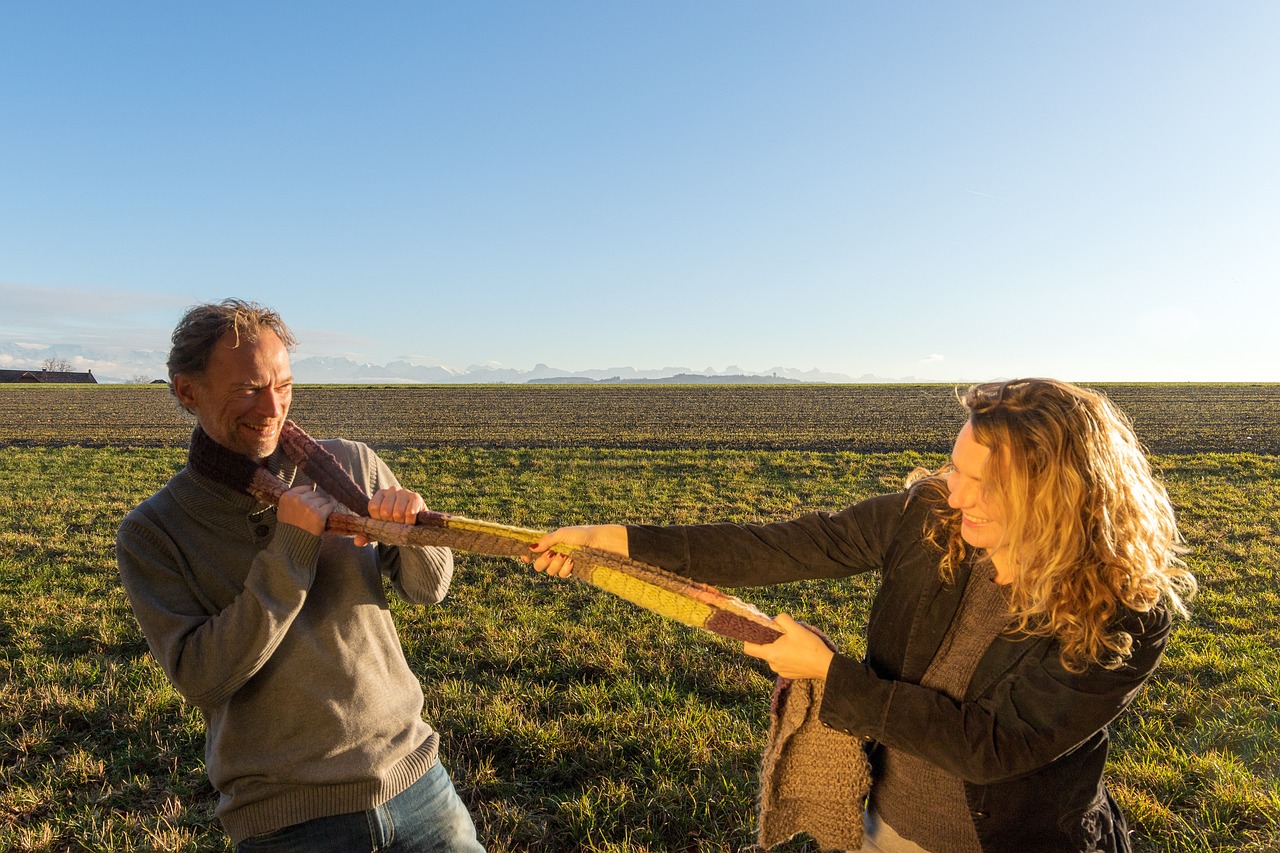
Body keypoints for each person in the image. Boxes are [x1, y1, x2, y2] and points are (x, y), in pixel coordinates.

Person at [528, 378, 1195, 853]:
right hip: (885, 828)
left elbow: (991, 746)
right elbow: (785, 543)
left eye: (981, 483)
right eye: (955, 468)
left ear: (1053, 494)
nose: (952, 491)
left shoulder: (1126, 609)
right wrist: (614, 540)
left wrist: (830, 674)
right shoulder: (928, 517)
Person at [117, 299, 485, 852]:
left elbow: (429, 588)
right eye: (247, 388)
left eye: (284, 384)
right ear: (186, 392)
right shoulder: (155, 531)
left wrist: (411, 533)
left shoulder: (350, 467)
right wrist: (290, 550)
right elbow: (202, 676)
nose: (272, 407)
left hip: (418, 786)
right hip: (289, 821)